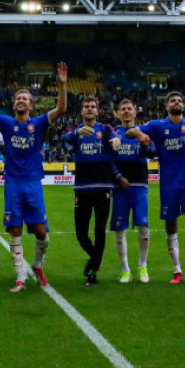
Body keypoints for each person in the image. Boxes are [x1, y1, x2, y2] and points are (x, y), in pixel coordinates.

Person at [0, 62, 68, 293]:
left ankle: (37, 265)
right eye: (18, 98)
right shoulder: (7, 123)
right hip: (13, 184)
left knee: (41, 233)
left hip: (33, 183)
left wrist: (62, 85)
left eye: (25, 98)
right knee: (14, 230)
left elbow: (60, 110)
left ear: (31, 104)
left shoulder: (37, 124)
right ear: (13, 103)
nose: (21, 100)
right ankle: (20, 277)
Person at [126, 92, 185, 284]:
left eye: (180, 100)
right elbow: (130, 132)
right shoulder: (158, 126)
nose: (177, 102)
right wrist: (141, 135)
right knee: (171, 226)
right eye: (173, 100)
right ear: (167, 106)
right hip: (167, 184)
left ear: (183, 106)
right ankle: (177, 271)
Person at [62, 96, 126, 286]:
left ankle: (93, 271)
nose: (89, 109)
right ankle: (95, 258)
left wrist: (116, 141)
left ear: (97, 111)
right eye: (86, 107)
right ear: (81, 111)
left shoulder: (105, 129)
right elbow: (65, 139)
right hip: (81, 189)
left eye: (92, 107)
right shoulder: (76, 131)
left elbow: (117, 137)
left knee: (99, 231)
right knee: (81, 235)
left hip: (103, 188)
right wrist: (77, 133)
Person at [109, 99, 152, 283]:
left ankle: (143, 266)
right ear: (118, 113)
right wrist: (118, 177)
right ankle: (125, 269)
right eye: (123, 109)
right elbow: (108, 160)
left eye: (129, 109)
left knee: (143, 227)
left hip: (140, 186)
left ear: (135, 112)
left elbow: (152, 152)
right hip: (120, 189)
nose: (126, 112)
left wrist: (142, 140)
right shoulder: (114, 134)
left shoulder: (143, 132)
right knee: (120, 231)